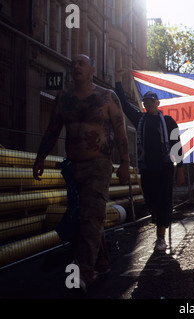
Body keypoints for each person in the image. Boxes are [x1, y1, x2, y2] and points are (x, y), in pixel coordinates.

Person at [33, 54, 130, 292]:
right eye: (72, 64)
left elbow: (120, 130)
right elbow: (52, 129)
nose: (75, 66)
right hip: (73, 165)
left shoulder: (106, 96)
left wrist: (125, 163)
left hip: (99, 164)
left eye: (81, 63)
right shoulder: (64, 98)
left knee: (90, 215)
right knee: (84, 217)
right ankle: (103, 262)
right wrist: (40, 157)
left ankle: (83, 273)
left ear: (92, 70)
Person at [114, 70, 184, 252]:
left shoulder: (168, 122)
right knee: (151, 201)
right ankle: (159, 227)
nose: (149, 104)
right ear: (144, 105)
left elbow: (177, 145)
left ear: (158, 103)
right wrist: (118, 82)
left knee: (164, 201)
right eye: (146, 102)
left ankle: (160, 237)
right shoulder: (140, 120)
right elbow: (124, 104)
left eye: (152, 102)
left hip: (165, 168)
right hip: (147, 169)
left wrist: (180, 169)